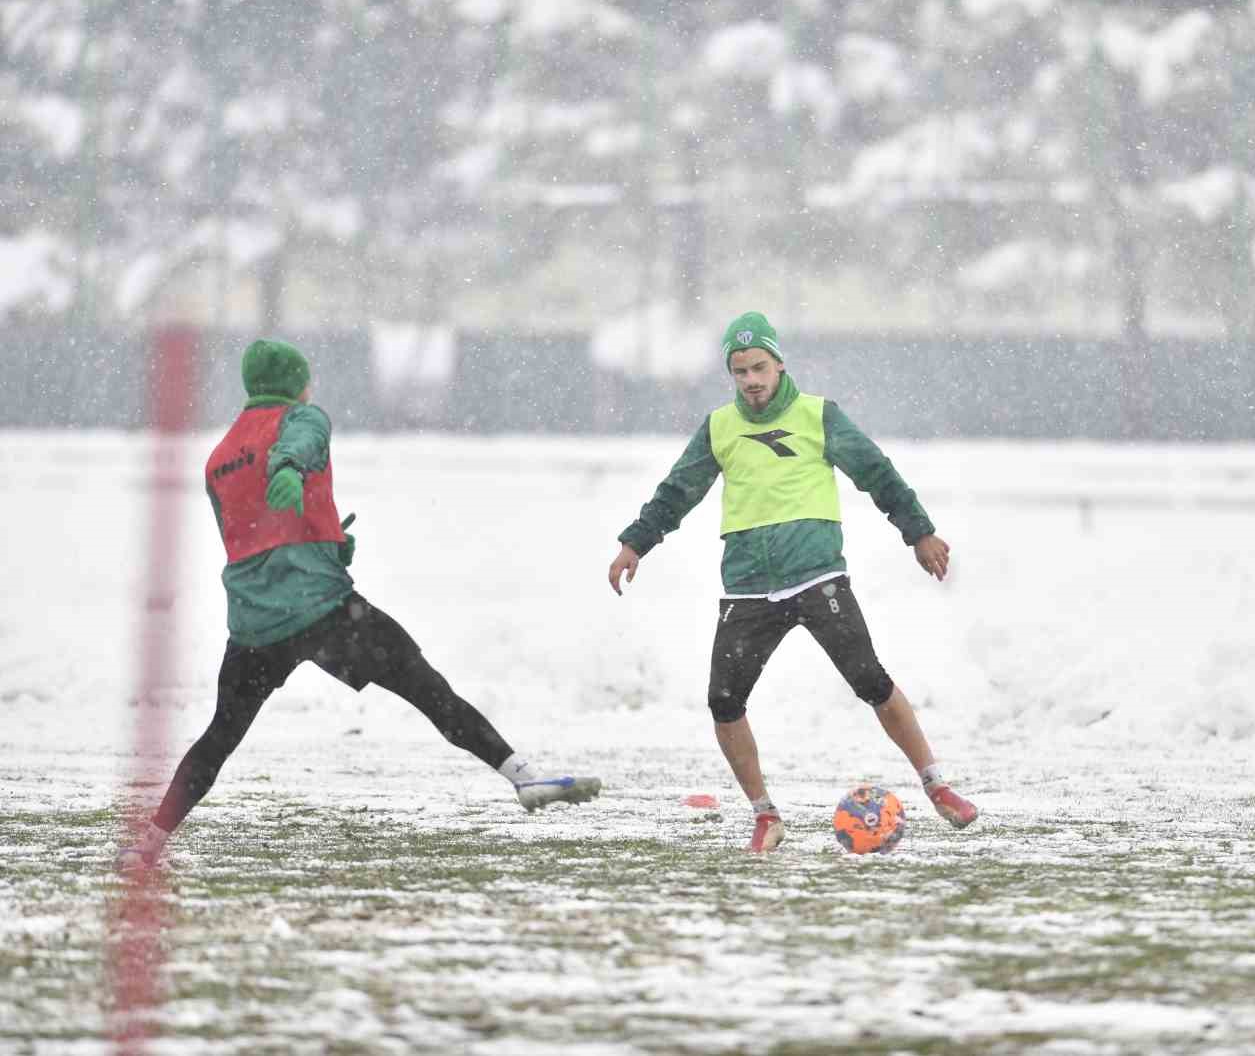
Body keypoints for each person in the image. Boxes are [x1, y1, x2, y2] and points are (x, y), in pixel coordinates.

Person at [118, 339, 600, 870]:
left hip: (255, 624)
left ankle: (150, 841)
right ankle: (522, 776)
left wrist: (327, 539)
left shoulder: (218, 458)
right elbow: (298, 443)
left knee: (220, 735)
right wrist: (288, 468)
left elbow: (247, 535)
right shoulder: (304, 419)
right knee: (426, 687)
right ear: (295, 383)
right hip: (322, 610)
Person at [607, 312, 978, 852]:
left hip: (817, 577)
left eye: (759, 367)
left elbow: (877, 474)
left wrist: (918, 532)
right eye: (740, 372)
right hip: (748, 588)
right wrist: (634, 543)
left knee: (871, 681)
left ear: (780, 364)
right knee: (723, 702)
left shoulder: (818, 416)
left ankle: (938, 787)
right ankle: (765, 816)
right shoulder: (718, 428)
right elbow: (676, 493)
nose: (751, 380)